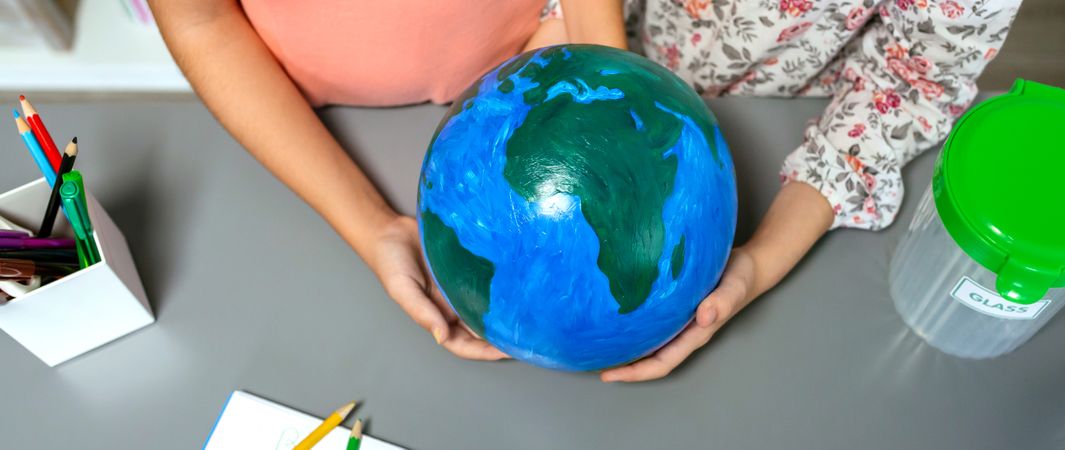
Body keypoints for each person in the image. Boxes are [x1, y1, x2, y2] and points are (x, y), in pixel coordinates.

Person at [149, 0, 1020, 382]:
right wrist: (371, 222)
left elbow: (909, 82)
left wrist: (612, 96)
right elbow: (201, 21)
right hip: (373, 114)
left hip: (628, 81)